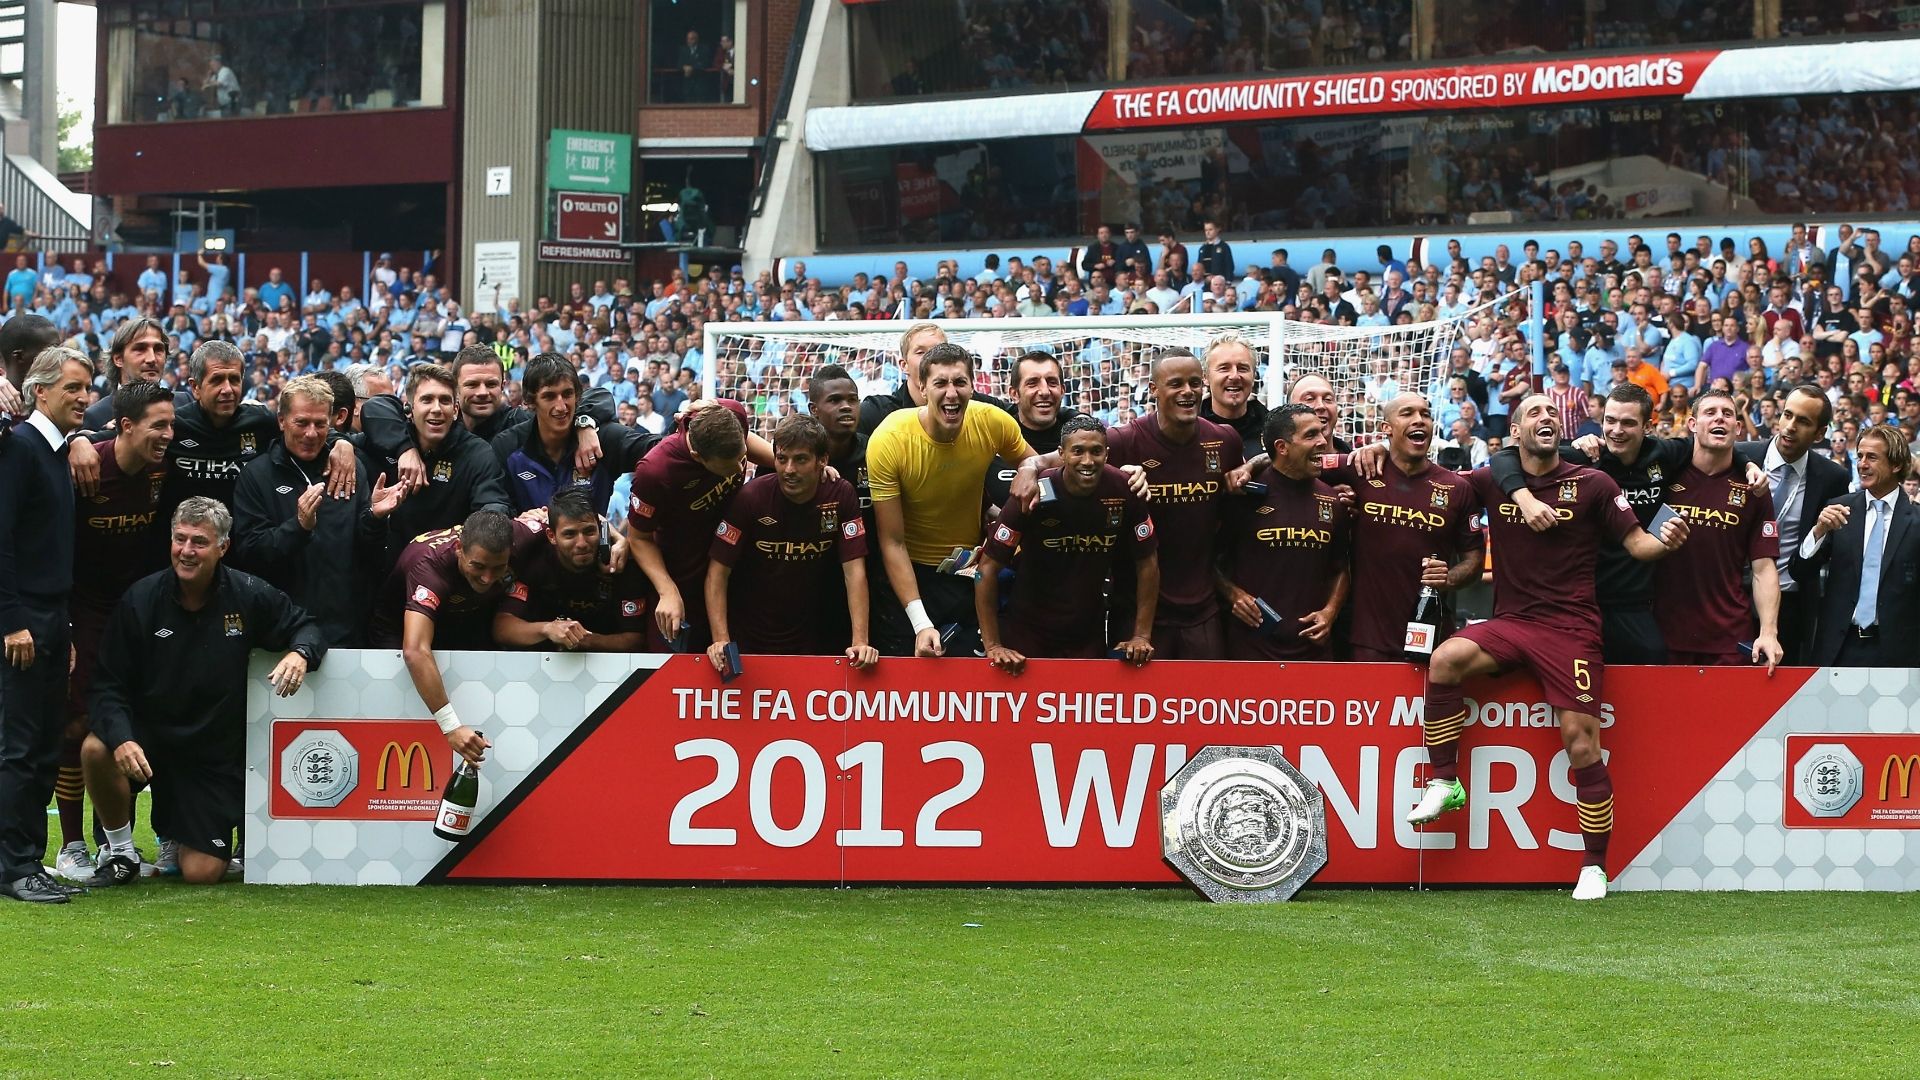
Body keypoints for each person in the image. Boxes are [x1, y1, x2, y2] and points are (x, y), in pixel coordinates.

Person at [1409, 394, 1690, 902]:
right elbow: (1445, 480)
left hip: (1571, 629)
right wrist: (1364, 457)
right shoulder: (1495, 478)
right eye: (1533, 413)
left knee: (1581, 743)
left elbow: (1637, 545)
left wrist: (1665, 540)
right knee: (1446, 659)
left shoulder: (1593, 484)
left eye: (1549, 413)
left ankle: (1594, 866)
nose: (1546, 417)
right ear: (1515, 433)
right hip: (1513, 622)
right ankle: (1446, 781)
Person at [80, 497, 324, 887]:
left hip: (207, 756)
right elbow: (107, 685)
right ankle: (121, 852)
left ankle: (180, 832)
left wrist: (300, 653)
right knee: (96, 747)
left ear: (223, 547)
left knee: (202, 873)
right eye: (180, 540)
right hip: (150, 740)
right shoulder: (140, 599)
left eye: (199, 542)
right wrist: (123, 738)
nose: (187, 552)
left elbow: (307, 626)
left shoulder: (248, 594)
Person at [1497, 383, 1758, 665]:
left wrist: (1748, 465)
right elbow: (1504, 456)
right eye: (1610, 421)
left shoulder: (1664, 454)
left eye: (1628, 423)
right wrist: (1523, 498)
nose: (1616, 430)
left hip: (1636, 603)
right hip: (1583, 600)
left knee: (1652, 665)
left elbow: (1715, 445)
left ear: (1647, 426)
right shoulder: (1585, 457)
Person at [51, 381, 173, 882]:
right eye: (158, 426)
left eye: (172, 424)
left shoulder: (164, 468)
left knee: (142, 716)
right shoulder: (83, 466)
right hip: (84, 609)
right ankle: (71, 846)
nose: (169, 435)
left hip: (138, 610)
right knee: (77, 724)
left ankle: (118, 843)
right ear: (125, 426)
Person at [868, 342, 1044, 657]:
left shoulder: (992, 421)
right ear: (922, 388)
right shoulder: (890, 439)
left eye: (960, 382)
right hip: (910, 580)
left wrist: (1032, 466)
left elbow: (1045, 470)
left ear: (973, 386)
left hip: (969, 574)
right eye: (940, 383)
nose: (952, 393)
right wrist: (921, 623)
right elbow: (892, 542)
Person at [0, 347, 91, 903]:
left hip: (52, 618)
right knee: (20, 745)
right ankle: (14, 865)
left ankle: (25, 859)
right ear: (41, 391)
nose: (85, 398)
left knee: (40, 745)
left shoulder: (53, 450)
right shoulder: (21, 451)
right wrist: (12, 620)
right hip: (25, 618)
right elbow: (2, 540)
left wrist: (67, 625)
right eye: (74, 389)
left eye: (87, 388)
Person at [231, 377, 407, 646]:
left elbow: (369, 554)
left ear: (332, 422)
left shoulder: (351, 469)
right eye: (301, 422)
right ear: (281, 421)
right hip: (281, 632)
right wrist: (298, 527)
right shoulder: (256, 476)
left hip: (346, 630)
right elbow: (250, 554)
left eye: (320, 423)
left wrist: (374, 518)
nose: (311, 433)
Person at [975, 415, 1157, 669]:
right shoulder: (1033, 492)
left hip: (1087, 635)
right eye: (1078, 451)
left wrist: (1141, 635)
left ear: (1107, 453)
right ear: (1061, 454)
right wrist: (993, 645)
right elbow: (986, 570)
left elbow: (1148, 564)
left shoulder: (1125, 490)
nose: (1087, 461)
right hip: (1027, 634)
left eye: (1096, 451)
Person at [1104, 349, 1244, 658]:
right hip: (1136, 612)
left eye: (1195, 383)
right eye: (1176, 383)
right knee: (1135, 707)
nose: (1188, 392)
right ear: (1153, 389)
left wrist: (1255, 464)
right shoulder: (1122, 441)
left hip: (1202, 610)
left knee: (1207, 703)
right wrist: (1031, 469)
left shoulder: (1225, 441)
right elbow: (1061, 462)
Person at [372, 509, 541, 764]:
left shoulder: (523, 533)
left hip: (461, 620)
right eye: (479, 566)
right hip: (398, 631)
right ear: (460, 548)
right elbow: (415, 651)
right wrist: (451, 727)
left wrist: (615, 542)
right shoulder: (429, 566)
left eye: (498, 568)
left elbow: (565, 516)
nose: (487, 578)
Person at [705, 415, 876, 666]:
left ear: (823, 461)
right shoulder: (751, 497)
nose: (789, 470)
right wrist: (721, 640)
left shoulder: (841, 494)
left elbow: (855, 573)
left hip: (813, 637)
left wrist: (860, 641)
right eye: (782, 459)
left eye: (801, 459)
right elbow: (717, 573)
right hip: (748, 638)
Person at [1328, 394, 1482, 661]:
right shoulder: (1362, 468)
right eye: (1407, 413)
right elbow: (1296, 461)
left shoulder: (1456, 488)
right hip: (1369, 640)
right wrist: (1250, 466)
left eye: (1425, 414)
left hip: (1431, 636)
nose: (1419, 420)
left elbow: (1474, 561)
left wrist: (1449, 577)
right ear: (1386, 427)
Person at [1652, 391, 1784, 669]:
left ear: (1738, 428)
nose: (1719, 418)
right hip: (1664, 634)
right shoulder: (1664, 477)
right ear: (1692, 424)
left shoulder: (1755, 488)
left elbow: (1763, 569)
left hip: (1729, 637)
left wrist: (1769, 633)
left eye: (1727, 413)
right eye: (1710, 412)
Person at [1217, 404, 1349, 660]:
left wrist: (1330, 612)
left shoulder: (1332, 500)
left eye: (1322, 433)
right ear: (1282, 447)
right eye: (1311, 435)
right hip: (1251, 646)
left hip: (1312, 647)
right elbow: (1209, 562)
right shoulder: (1243, 497)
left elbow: (1342, 568)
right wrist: (1233, 594)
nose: (1323, 441)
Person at [627, 401, 753, 653]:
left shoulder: (730, 414)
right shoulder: (656, 471)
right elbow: (639, 538)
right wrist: (667, 591)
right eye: (732, 465)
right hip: (682, 576)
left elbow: (758, 448)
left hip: (734, 565)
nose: (742, 469)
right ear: (698, 457)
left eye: (743, 458)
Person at [1739, 386, 1850, 664]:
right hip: (1733, 596)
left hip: (1790, 603)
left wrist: (1818, 533)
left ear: (1820, 433)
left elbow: (1822, 552)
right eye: (1787, 415)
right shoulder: (1741, 457)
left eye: (1803, 421)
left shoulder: (1832, 477)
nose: (1790, 427)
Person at [1792, 426, 1920, 666]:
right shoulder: (1838, 511)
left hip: (1899, 656)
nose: (1862, 464)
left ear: (1896, 465)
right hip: (1838, 650)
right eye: (1859, 456)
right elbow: (1800, 572)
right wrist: (1818, 531)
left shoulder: (1916, 522)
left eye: (1872, 457)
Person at [376, 363, 510, 564]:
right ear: (410, 408)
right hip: (391, 574)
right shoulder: (389, 440)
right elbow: (371, 407)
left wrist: (489, 522)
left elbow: (492, 506)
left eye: (445, 401)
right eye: (427, 400)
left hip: (450, 570)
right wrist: (342, 444)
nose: (437, 409)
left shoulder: (478, 453)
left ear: (455, 409)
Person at [492, 353, 657, 514]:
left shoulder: (601, 439)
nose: (561, 407)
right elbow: (497, 508)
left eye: (567, 394)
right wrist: (520, 524)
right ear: (530, 401)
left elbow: (660, 449)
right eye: (549, 396)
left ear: (577, 395)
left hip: (593, 542)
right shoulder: (508, 446)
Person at [493, 490, 650, 652]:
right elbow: (502, 628)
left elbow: (635, 639)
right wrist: (547, 629)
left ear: (601, 529)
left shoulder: (620, 561)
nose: (582, 543)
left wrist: (584, 641)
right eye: (570, 534)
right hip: (539, 658)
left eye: (589, 531)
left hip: (605, 663)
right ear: (551, 536)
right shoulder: (532, 551)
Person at [857, 323, 1011, 436]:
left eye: (939, 351)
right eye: (920, 352)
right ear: (904, 365)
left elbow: (1023, 419)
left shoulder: (979, 406)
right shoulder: (876, 413)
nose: (930, 360)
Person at [986, 351, 1082, 510]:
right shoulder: (992, 436)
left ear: (1063, 390)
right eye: (1032, 383)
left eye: (1052, 382)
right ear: (1014, 394)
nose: (1044, 391)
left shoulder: (1080, 438)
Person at [1198, 334, 1268, 450]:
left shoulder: (1273, 429)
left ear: (1254, 376)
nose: (1234, 376)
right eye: (1224, 368)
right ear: (1205, 377)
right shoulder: (1187, 430)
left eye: (1242, 368)